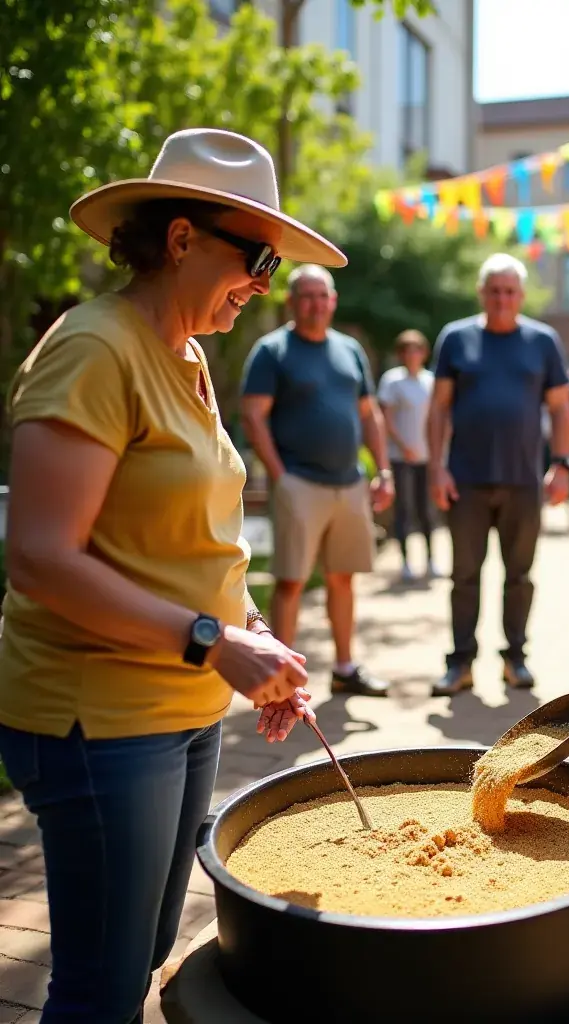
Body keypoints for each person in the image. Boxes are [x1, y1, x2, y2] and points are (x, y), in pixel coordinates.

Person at [0, 128, 339, 1023]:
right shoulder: (93, 348)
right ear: (181, 240)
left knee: (143, 950)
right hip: (99, 711)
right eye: (257, 257)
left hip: (184, 703)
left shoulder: (190, 358)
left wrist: (251, 631)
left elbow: (196, 537)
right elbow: (38, 557)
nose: (266, 283)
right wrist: (209, 641)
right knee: (100, 984)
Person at [241, 264, 394, 697]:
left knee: (343, 577)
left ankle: (345, 668)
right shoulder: (273, 351)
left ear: (333, 300)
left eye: (322, 295)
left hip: (349, 483)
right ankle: (281, 678)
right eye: (306, 296)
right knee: (290, 580)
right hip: (299, 483)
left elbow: (369, 414)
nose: (315, 304)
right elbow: (253, 415)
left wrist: (383, 471)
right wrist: (280, 476)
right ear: (291, 302)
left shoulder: (350, 350)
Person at [427, 253, 569, 695]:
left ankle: (515, 659)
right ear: (482, 293)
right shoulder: (455, 339)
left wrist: (562, 465)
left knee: (519, 576)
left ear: (521, 295)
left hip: (524, 482)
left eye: (510, 291)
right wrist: (437, 467)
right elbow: (438, 409)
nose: (502, 299)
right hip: (466, 481)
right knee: (464, 576)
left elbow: (562, 408)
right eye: (494, 290)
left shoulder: (543, 341)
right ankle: (461, 664)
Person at [378, 329, 437, 582]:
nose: (413, 354)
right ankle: (405, 561)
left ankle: (431, 559)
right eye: (407, 350)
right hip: (401, 457)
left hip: (427, 456)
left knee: (427, 510)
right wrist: (404, 446)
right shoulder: (392, 381)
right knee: (404, 509)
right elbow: (386, 419)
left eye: (417, 349)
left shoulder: (431, 381)